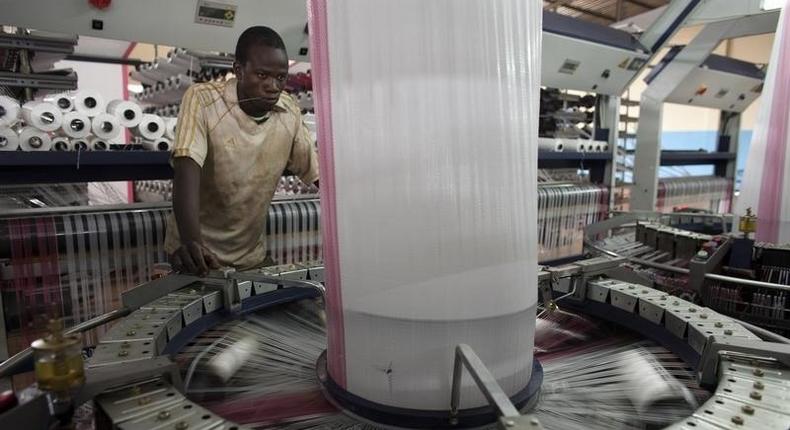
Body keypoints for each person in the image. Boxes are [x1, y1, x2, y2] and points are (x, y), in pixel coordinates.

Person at [165, 26, 319, 275]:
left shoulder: (288, 110)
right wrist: (192, 244)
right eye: (262, 75)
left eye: (280, 78)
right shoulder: (203, 100)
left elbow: (316, 172)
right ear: (238, 70)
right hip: (197, 255)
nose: (273, 86)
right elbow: (186, 167)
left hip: (251, 256)